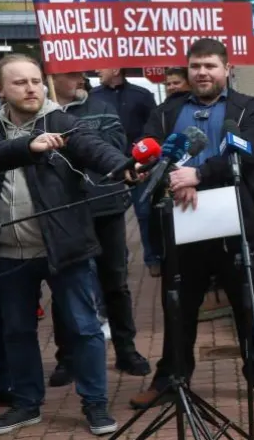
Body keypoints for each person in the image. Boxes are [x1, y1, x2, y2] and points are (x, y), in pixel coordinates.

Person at [129, 38, 254, 410]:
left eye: (211, 65)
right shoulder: (167, 112)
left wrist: (198, 175)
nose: (202, 72)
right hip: (183, 223)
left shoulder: (250, 110)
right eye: (196, 65)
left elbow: (250, 153)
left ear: (226, 69)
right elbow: (151, 155)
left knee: (249, 301)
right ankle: (171, 377)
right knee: (179, 306)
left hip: (239, 223)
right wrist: (171, 179)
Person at [0, 54, 132, 436]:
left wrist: (124, 166)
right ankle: (26, 404)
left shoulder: (64, 121)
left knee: (84, 328)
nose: (31, 88)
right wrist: (27, 147)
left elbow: (93, 148)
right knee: (16, 332)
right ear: (0, 89)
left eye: (36, 80)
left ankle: (96, 405)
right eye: (20, 82)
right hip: (7, 254)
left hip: (66, 249)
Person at [47, 71, 151, 385]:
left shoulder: (102, 107)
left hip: (106, 207)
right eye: (70, 74)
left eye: (81, 73)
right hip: (65, 213)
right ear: (51, 76)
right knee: (65, 286)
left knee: (114, 282)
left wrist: (72, 141)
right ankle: (67, 357)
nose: (79, 79)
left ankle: (125, 349)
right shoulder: (43, 115)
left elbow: (114, 148)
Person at [89, 68, 160, 275]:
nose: (96, 71)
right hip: (108, 165)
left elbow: (152, 127)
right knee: (112, 215)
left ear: (115, 69)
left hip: (138, 163)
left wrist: (141, 150)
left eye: (101, 67)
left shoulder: (142, 95)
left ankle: (152, 257)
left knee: (145, 211)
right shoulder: (94, 97)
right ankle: (119, 260)